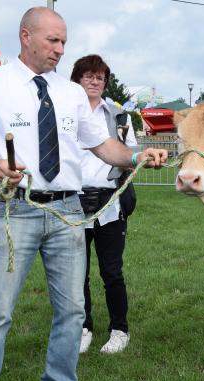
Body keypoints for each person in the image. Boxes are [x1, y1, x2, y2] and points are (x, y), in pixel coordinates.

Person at [0, 7, 167, 381]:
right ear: (26, 36)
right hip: (18, 209)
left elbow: (104, 146)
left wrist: (138, 157)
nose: (60, 49)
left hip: (69, 209)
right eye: (53, 40)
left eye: (64, 42)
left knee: (71, 309)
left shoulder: (70, 94)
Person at [70, 55, 139, 355]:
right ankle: (83, 327)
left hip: (110, 202)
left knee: (112, 271)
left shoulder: (120, 117)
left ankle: (119, 329)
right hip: (73, 202)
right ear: (77, 79)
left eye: (100, 77)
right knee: (77, 271)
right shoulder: (66, 113)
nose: (95, 81)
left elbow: (129, 155)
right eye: (89, 76)